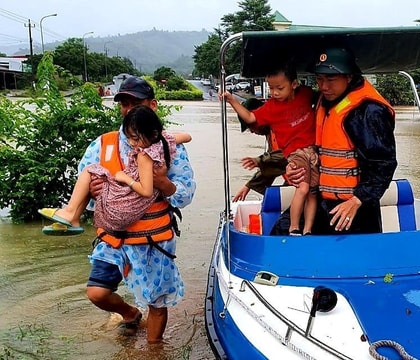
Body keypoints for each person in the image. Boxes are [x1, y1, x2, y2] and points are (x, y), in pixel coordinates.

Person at [70, 76, 195, 343]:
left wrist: (163, 183)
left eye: (135, 103)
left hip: (153, 239)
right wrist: (94, 194)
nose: (129, 109)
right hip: (114, 237)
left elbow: (186, 195)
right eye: (124, 104)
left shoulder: (169, 147)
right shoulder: (102, 145)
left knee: (157, 301)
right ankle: (129, 314)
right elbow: (86, 190)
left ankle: (154, 350)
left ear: (153, 105)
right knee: (97, 293)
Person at [284, 47, 397, 234]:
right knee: (281, 235)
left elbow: (384, 164)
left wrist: (357, 200)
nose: (323, 86)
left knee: (351, 259)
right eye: (319, 79)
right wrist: (296, 165)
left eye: (330, 79)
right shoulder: (325, 101)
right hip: (321, 202)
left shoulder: (368, 111)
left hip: (356, 209)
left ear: (349, 77)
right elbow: (321, 149)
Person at [38, 105, 192, 234]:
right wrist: (164, 136)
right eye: (129, 137)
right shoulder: (166, 142)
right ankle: (73, 218)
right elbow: (187, 136)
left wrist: (126, 179)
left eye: (136, 138)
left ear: (152, 104)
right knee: (95, 176)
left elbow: (146, 191)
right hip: (128, 210)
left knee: (91, 170)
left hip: (121, 211)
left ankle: (70, 212)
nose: (132, 143)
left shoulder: (144, 156)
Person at [220, 62, 318, 236]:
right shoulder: (272, 111)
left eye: (279, 88)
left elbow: (274, 160)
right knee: (304, 188)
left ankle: (307, 229)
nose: (274, 93)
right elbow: (251, 119)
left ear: (293, 84)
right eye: (271, 88)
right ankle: (295, 228)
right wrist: (231, 100)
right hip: (298, 158)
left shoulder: (304, 95)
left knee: (311, 191)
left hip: (312, 153)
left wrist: (257, 164)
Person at [232, 98, 287, 202]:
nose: (252, 131)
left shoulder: (282, 127)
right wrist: (249, 185)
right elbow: (272, 164)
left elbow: (286, 156)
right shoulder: (270, 134)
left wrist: (259, 161)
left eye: (251, 125)